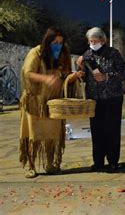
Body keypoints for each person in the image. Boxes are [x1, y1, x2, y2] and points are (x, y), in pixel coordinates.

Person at [19, 27, 82, 178]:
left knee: (53, 134)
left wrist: (72, 77)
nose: (58, 45)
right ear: (48, 41)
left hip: (54, 103)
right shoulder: (36, 52)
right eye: (55, 42)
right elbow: (27, 72)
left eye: (60, 42)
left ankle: (50, 163)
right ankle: (30, 165)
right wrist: (45, 78)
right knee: (33, 134)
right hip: (35, 102)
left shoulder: (63, 54)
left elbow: (65, 75)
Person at [77, 27, 125, 172]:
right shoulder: (87, 55)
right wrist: (80, 72)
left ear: (103, 40)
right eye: (90, 41)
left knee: (112, 130)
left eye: (95, 41)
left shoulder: (113, 54)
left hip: (112, 98)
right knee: (96, 131)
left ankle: (112, 161)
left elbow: (123, 73)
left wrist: (107, 76)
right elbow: (85, 75)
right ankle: (98, 162)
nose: (92, 44)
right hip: (95, 99)